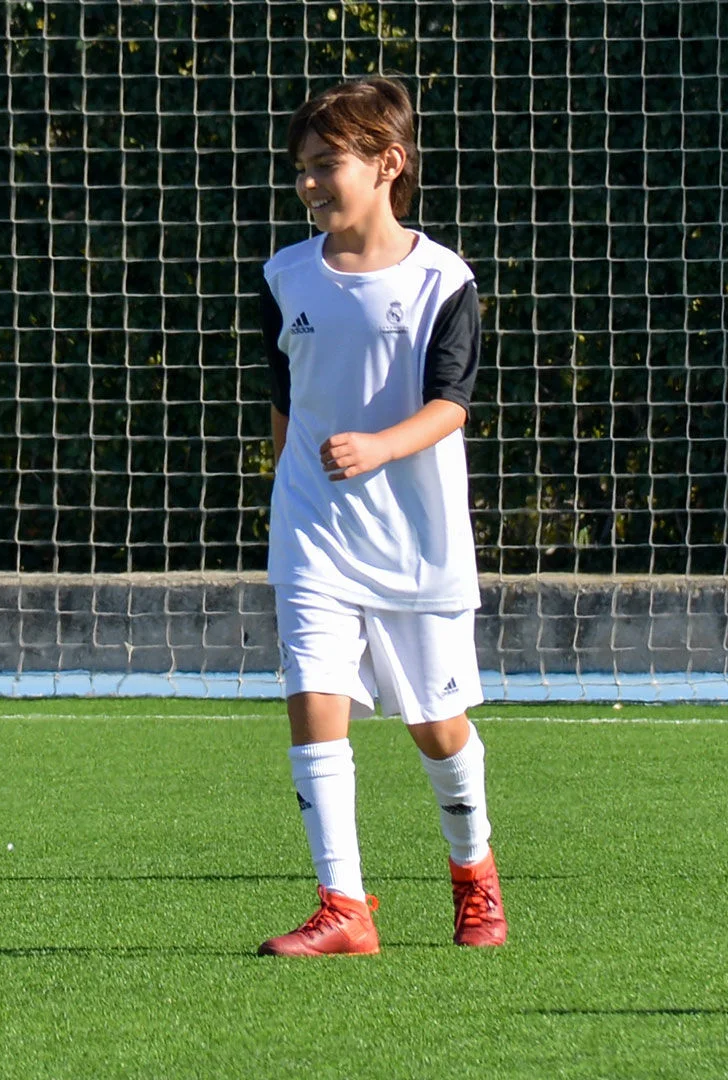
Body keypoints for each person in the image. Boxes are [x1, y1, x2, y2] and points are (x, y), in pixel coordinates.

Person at [257, 77, 506, 956]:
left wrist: (378, 447)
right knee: (314, 701)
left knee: (437, 727)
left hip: (417, 539)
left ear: (388, 164)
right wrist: (285, 496)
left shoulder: (444, 279)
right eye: (302, 169)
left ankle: (474, 878)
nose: (311, 183)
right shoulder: (284, 276)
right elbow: (286, 403)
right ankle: (344, 906)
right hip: (314, 533)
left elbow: (452, 405)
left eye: (328, 165)